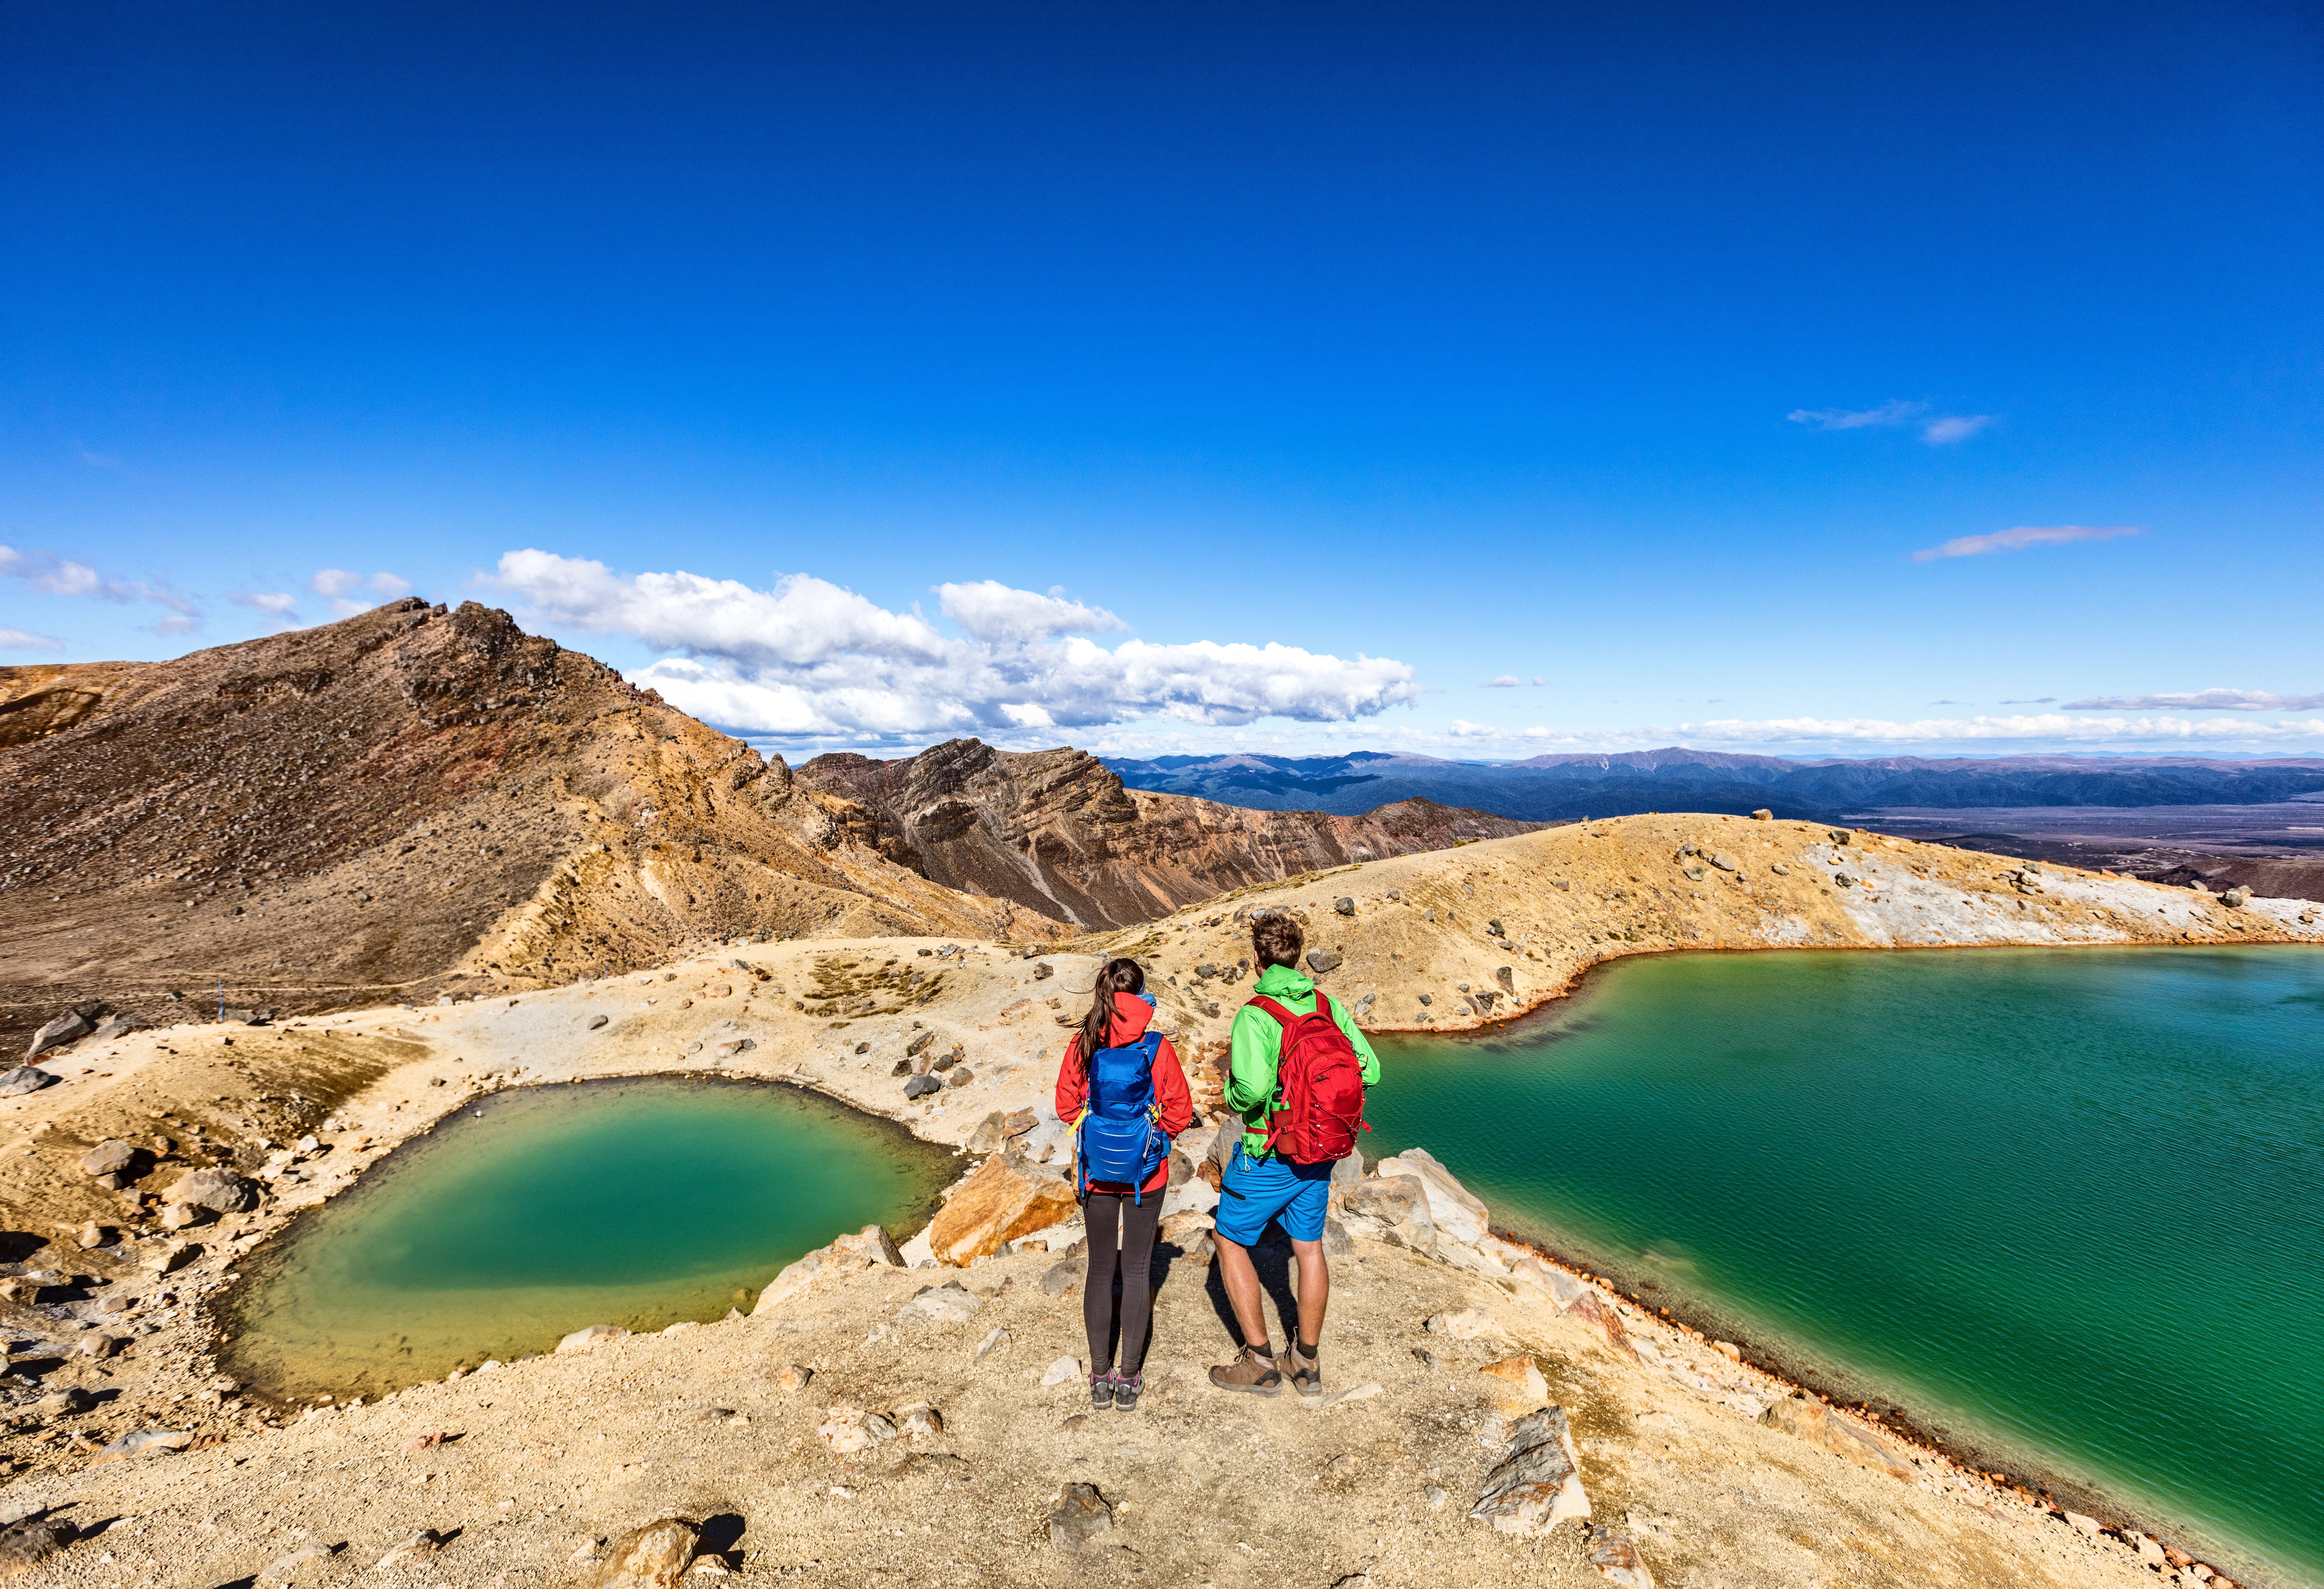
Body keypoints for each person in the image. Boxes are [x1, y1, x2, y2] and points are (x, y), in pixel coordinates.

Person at [1208, 911, 1379, 1399]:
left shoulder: (1256, 1013)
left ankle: (1260, 1363)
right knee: (1308, 1249)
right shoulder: (1326, 1004)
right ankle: (1305, 1363)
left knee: (1229, 1240)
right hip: (1321, 1153)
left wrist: (1235, 1096)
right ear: (1298, 954)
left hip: (1271, 1153)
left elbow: (1252, 1091)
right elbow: (1371, 1071)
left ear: (1258, 958)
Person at [1053, 956, 1191, 1412]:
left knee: (1099, 1269)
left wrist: (1096, 1133)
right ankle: (1128, 1378)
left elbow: (1065, 1105)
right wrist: (1152, 1141)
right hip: (1146, 1176)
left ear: (1102, 994)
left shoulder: (1084, 1043)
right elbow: (1180, 1111)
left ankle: (1098, 1377)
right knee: (1135, 1271)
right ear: (1142, 993)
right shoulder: (1157, 1048)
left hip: (1096, 1172)